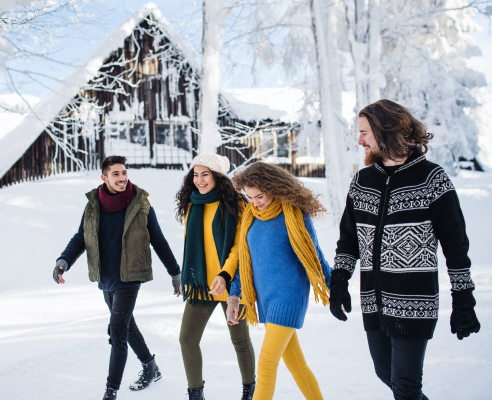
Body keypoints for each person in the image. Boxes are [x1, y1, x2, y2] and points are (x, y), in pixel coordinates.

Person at [330, 99, 481, 400]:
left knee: (406, 387)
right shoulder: (362, 181)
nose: (359, 140)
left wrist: (463, 298)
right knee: (385, 374)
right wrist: (339, 282)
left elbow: (455, 245)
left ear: (386, 130)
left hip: (415, 300)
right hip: (374, 300)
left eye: (364, 132)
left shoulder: (432, 179)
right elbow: (348, 239)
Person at [52, 155, 181, 400]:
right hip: (106, 277)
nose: (122, 178)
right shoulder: (92, 205)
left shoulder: (141, 202)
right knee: (127, 325)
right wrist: (64, 261)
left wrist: (175, 272)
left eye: (124, 172)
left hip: (130, 276)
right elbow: (82, 237)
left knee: (118, 332)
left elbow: (159, 240)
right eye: (116, 174)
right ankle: (150, 367)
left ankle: (111, 392)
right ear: (104, 177)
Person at [226, 162, 331, 400]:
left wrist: (336, 284)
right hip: (266, 300)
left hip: (289, 298)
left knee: (266, 365)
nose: (255, 202)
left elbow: (314, 255)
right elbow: (245, 262)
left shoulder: (293, 215)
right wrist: (234, 296)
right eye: (250, 197)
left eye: (260, 196)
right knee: (297, 365)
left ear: (274, 188)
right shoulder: (251, 217)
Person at [175, 153, 256, 400]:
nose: (199, 180)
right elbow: (192, 245)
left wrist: (224, 273)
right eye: (195, 174)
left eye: (205, 174)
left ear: (218, 177)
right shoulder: (192, 204)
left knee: (240, 340)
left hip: (231, 285)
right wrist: (187, 276)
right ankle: (195, 394)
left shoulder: (237, 204)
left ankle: (250, 391)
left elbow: (239, 247)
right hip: (201, 285)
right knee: (187, 339)